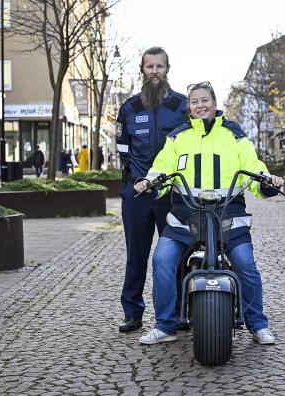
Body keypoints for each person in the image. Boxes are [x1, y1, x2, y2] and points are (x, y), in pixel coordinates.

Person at [134, 81, 284, 345]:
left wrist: (267, 181)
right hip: (185, 217)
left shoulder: (234, 134)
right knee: (162, 260)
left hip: (228, 216)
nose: (200, 105)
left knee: (246, 264)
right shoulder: (178, 136)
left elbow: (253, 165)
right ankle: (166, 326)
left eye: (205, 100)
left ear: (215, 103)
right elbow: (162, 167)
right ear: (189, 107)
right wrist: (149, 183)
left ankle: (258, 325)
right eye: (194, 101)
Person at [115, 47, 188, 333]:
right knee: (137, 255)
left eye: (159, 66)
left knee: (175, 254)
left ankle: (179, 312)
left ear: (168, 68)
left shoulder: (182, 106)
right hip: (137, 193)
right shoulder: (129, 108)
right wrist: (133, 180)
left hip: (171, 193)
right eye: (149, 67)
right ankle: (132, 313)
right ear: (142, 70)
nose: (154, 72)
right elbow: (123, 150)